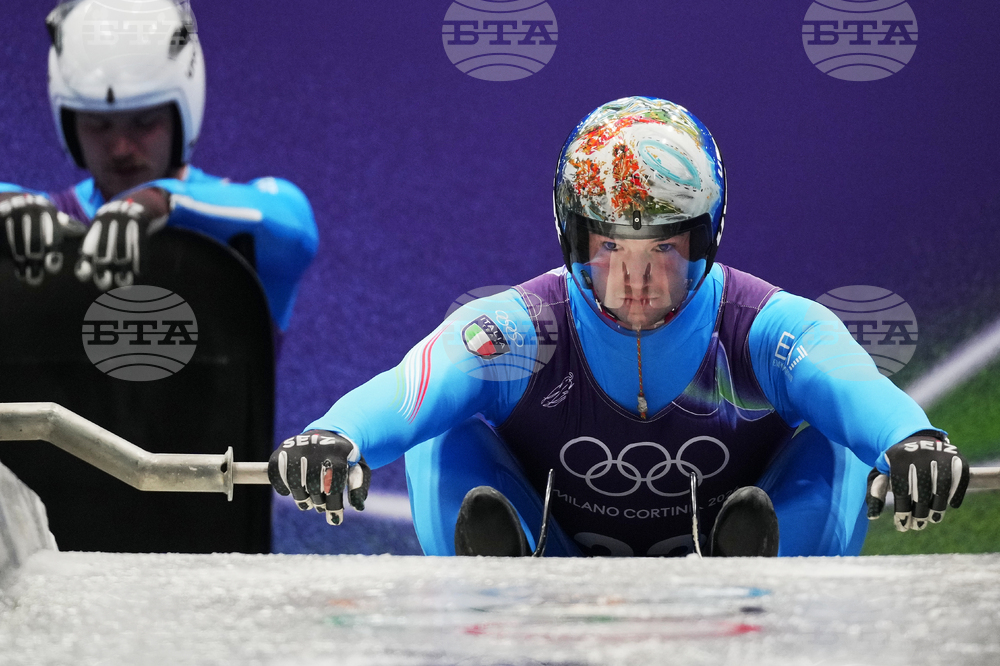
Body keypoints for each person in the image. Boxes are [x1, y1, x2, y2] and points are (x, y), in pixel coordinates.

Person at [268, 97, 969, 557]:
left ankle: (760, 586)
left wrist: (911, 441)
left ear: (705, 239)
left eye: (663, 248)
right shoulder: (521, 328)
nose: (635, 282)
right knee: (440, 432)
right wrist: (338, 436)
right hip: (554, 584)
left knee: (840, 439)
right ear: (572, 239)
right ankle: (506, 587)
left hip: (745, 607)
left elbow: (849, 382)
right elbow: (414, 385)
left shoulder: (765, 326)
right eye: (610, 249)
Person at [0, 0, 317, 332]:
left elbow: (295, 225)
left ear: (181, 117)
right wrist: (8, 206)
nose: (120, 148)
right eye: (98, 124)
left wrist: (160, 201)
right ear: (69, 124)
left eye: (144, 122)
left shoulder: (247, 218)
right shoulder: (44, 219)